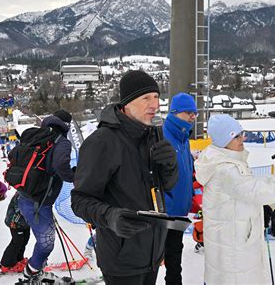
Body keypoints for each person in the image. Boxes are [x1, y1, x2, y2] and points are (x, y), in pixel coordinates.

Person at [71, 70, 179, 285]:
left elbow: (165, 186)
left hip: (152, 254)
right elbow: (80, 200)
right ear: (127, 103)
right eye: (146, 98)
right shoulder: (102, 142)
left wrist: (169, 165)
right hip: (121, 259)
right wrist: (111, 216)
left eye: (156, 97)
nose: (154, 104)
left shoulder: (152, 135)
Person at [194, 114, 275, 284]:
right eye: (236, 136)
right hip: (234, 254)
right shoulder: (227, 170)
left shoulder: (221, 160)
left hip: (230, 246)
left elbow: (242, 193)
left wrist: (256, 207)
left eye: (242, 133)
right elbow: (270, 192)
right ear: (223, 141)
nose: (243, 138)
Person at [18, 109, 75, 282]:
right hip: (38, 202)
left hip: (25, 196)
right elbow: (60, 165)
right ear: (67, 125)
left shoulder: (37, 135)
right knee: (46, 243)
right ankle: (31, 274)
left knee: (44, 239)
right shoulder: (61, 142)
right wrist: (76, 177)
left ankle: (37, 270)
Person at [161, 92, 197, 285]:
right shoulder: (162, 137)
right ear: (174, 113)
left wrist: (190, 197)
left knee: (175, 258)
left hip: (179, 212)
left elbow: (187, 171)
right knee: (155, 258)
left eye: (195, 113)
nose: (193, 116)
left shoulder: (184, 138)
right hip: (164, 213)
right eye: (188, 112)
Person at [0, 192, 31, 273]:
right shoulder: (21, 195)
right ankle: (6, 264)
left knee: (25, 240)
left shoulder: (33, 193)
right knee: (17, 242)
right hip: (15, 223)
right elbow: (20, 210)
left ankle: (19, 259)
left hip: (25, 223)